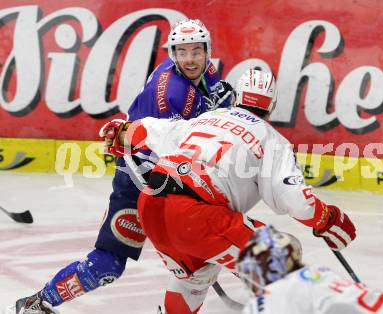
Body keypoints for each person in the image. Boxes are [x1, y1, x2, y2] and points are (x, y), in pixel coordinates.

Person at [12, 19, 233, 314]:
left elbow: (212, 103)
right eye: (182, 52)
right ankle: (37, 303)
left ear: (207, 51)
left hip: (170, 175)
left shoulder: (204, 70)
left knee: (201, 253)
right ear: (172, 54)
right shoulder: (170, 96)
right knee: (109, 263)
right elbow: (182, 145)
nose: (190, 59)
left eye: (196, 51)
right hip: (140, 178)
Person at [99, 69, 357, 313]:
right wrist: (328, 219)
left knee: (196, 278)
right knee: (286, 251)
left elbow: (149, 129)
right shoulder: (272, 139)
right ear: (271, 107)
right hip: (198, 217)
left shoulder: (208, 118)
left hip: (152, 207)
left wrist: (122, 133)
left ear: (236, 97)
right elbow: (296, 201)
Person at [237, 225, 383, 314]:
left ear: (272, 266)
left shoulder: (276, 294)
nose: (251, 280)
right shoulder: (318, 273)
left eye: (253, 272)